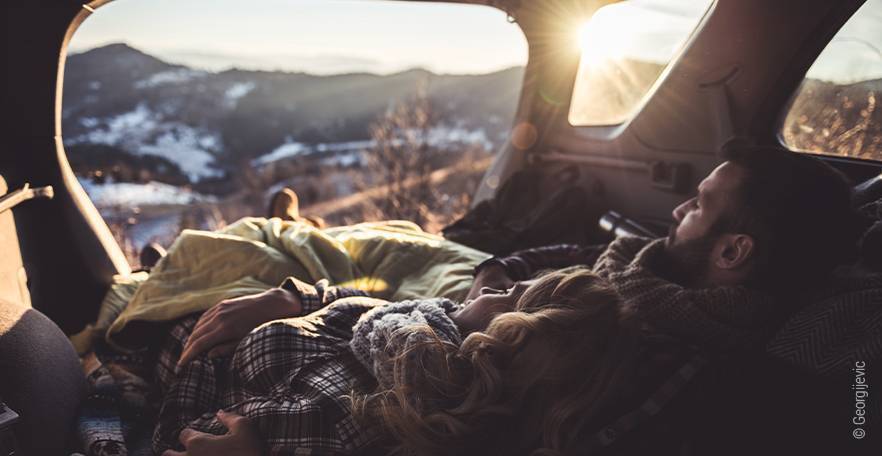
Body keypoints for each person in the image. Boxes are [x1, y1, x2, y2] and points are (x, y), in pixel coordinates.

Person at [155, 268, 641, 455]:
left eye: (518, 296)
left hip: (181, 362)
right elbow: (365, 305)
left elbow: (190, 435)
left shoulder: (369, 417)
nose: (505, 281)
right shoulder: (425, 324)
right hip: (228, 321)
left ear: (512, 346)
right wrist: (294, 297)